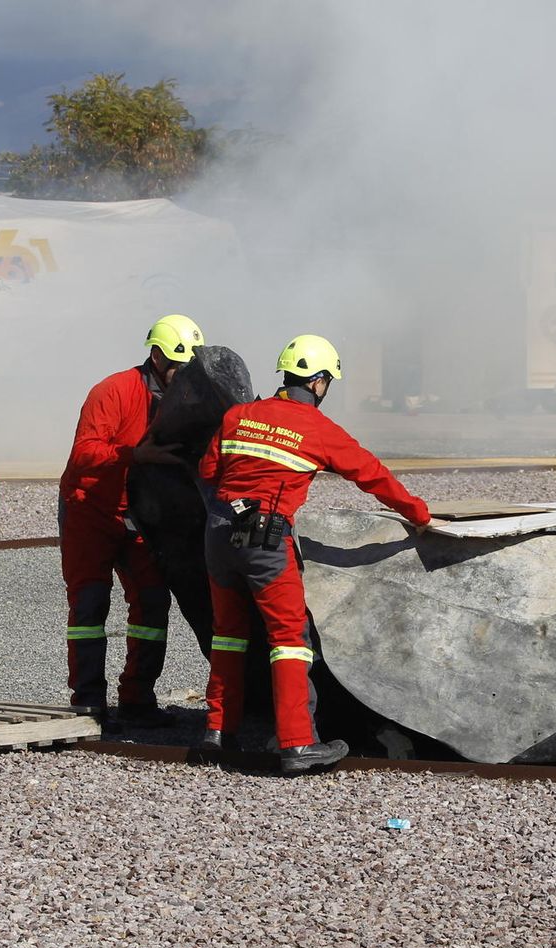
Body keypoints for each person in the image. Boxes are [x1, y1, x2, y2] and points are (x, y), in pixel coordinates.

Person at [198, 334, 438, 774]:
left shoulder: (239, 416)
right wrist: (418, 514)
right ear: (321, 382)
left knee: (228, 634)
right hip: (265, 540)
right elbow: (373, 476)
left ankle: (217, 731)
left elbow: (209, 472)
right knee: (289, 639)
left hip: (218, 536)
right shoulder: (316, 428)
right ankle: (298, 743)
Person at [58, 313, 203, 730]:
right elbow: (84, 454)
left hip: (140, 515)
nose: (181, 376)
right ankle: (87, 702)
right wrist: (135, 455)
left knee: (153, 602)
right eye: (176, 366)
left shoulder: (188, 399)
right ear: (156, 356)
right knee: (89, 604)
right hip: (90, 508)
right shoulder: (113, 391)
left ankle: (138, 699)